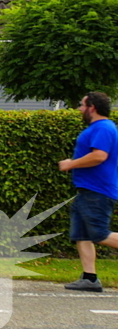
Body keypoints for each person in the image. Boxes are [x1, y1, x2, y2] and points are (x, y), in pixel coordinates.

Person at [58, 91, 118, 292]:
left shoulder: (103, 128)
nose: (80, 109)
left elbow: (99, 156)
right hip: (87, 190)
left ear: (92, 107)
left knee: (99, 234)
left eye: (82, 105)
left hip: (97, 190)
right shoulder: (98, 128)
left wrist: (70, 164)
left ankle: (90, 279)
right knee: (81, 234)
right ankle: (90, 279)